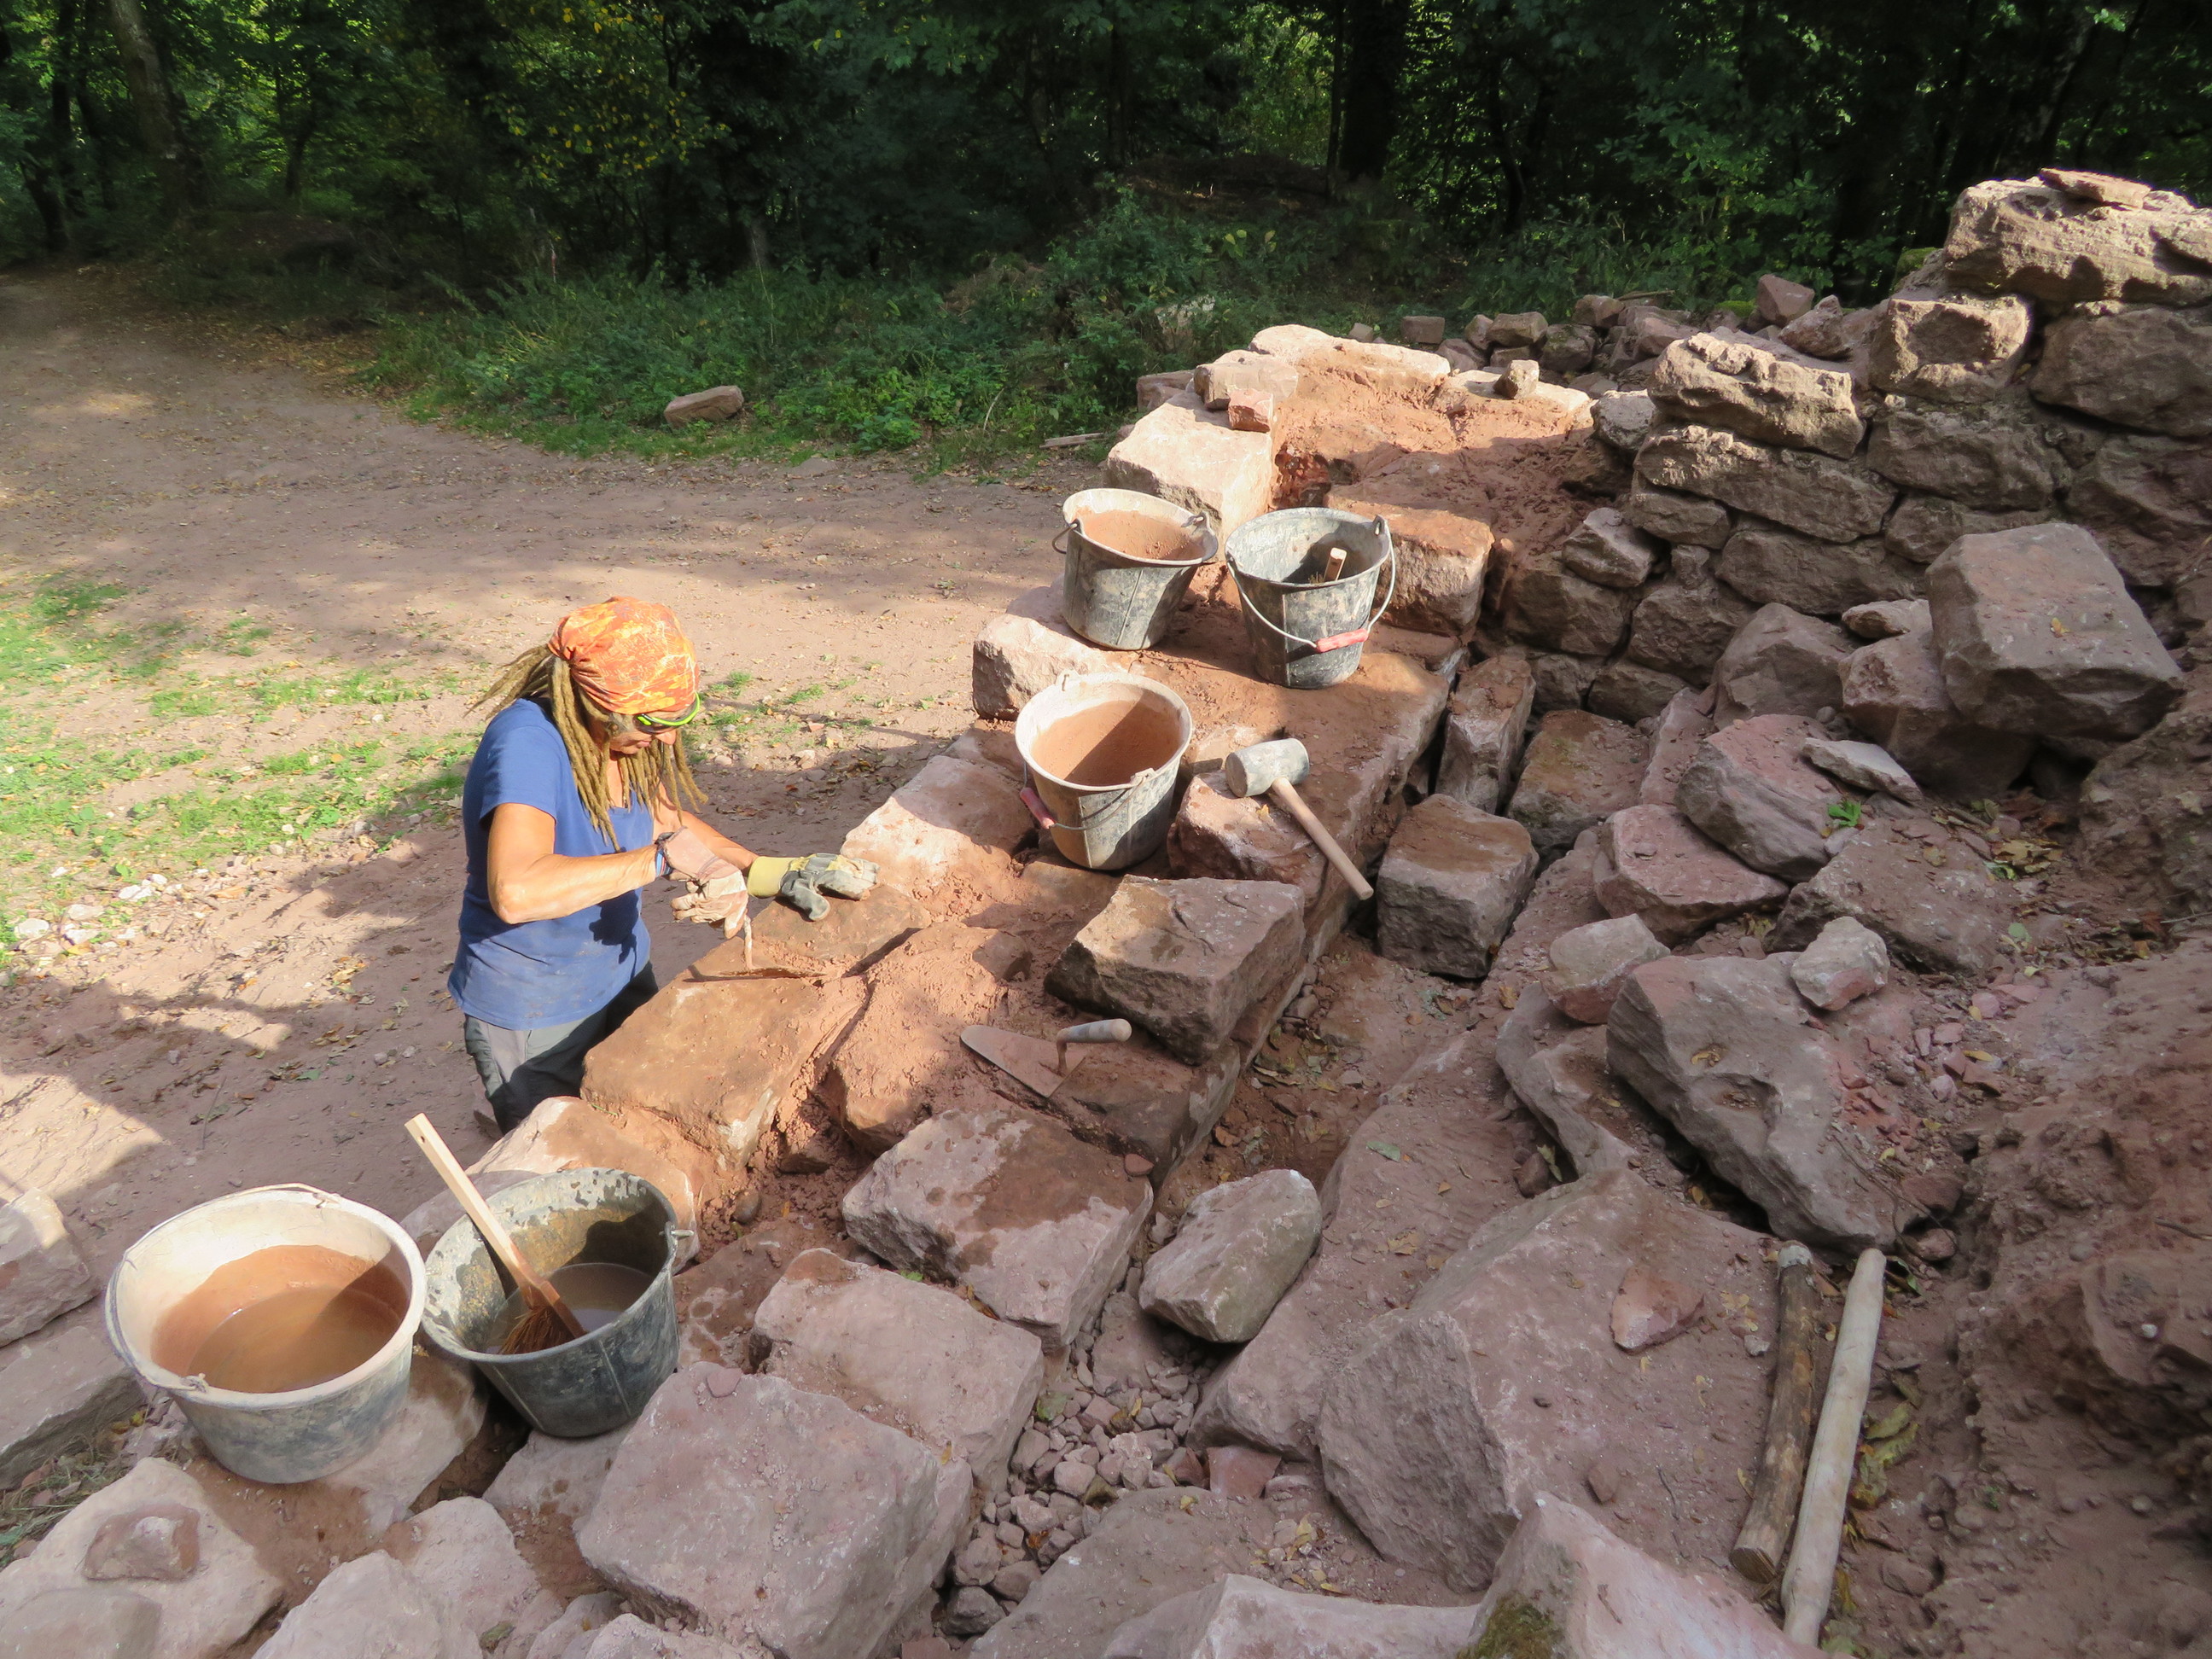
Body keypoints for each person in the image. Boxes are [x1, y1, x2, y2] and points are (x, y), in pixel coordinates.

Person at [451, 597, 875, 1133]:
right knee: (562, 1149)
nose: (670, 737)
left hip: (619, 969)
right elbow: (517, 891)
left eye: (681, 719)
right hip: (536, 1006)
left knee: (637, 1114)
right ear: (600, 704)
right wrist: (660, 860)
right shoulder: (527, 745)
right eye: (656, 722)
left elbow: (659, 818)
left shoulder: (620, 741)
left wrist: (760, 869)